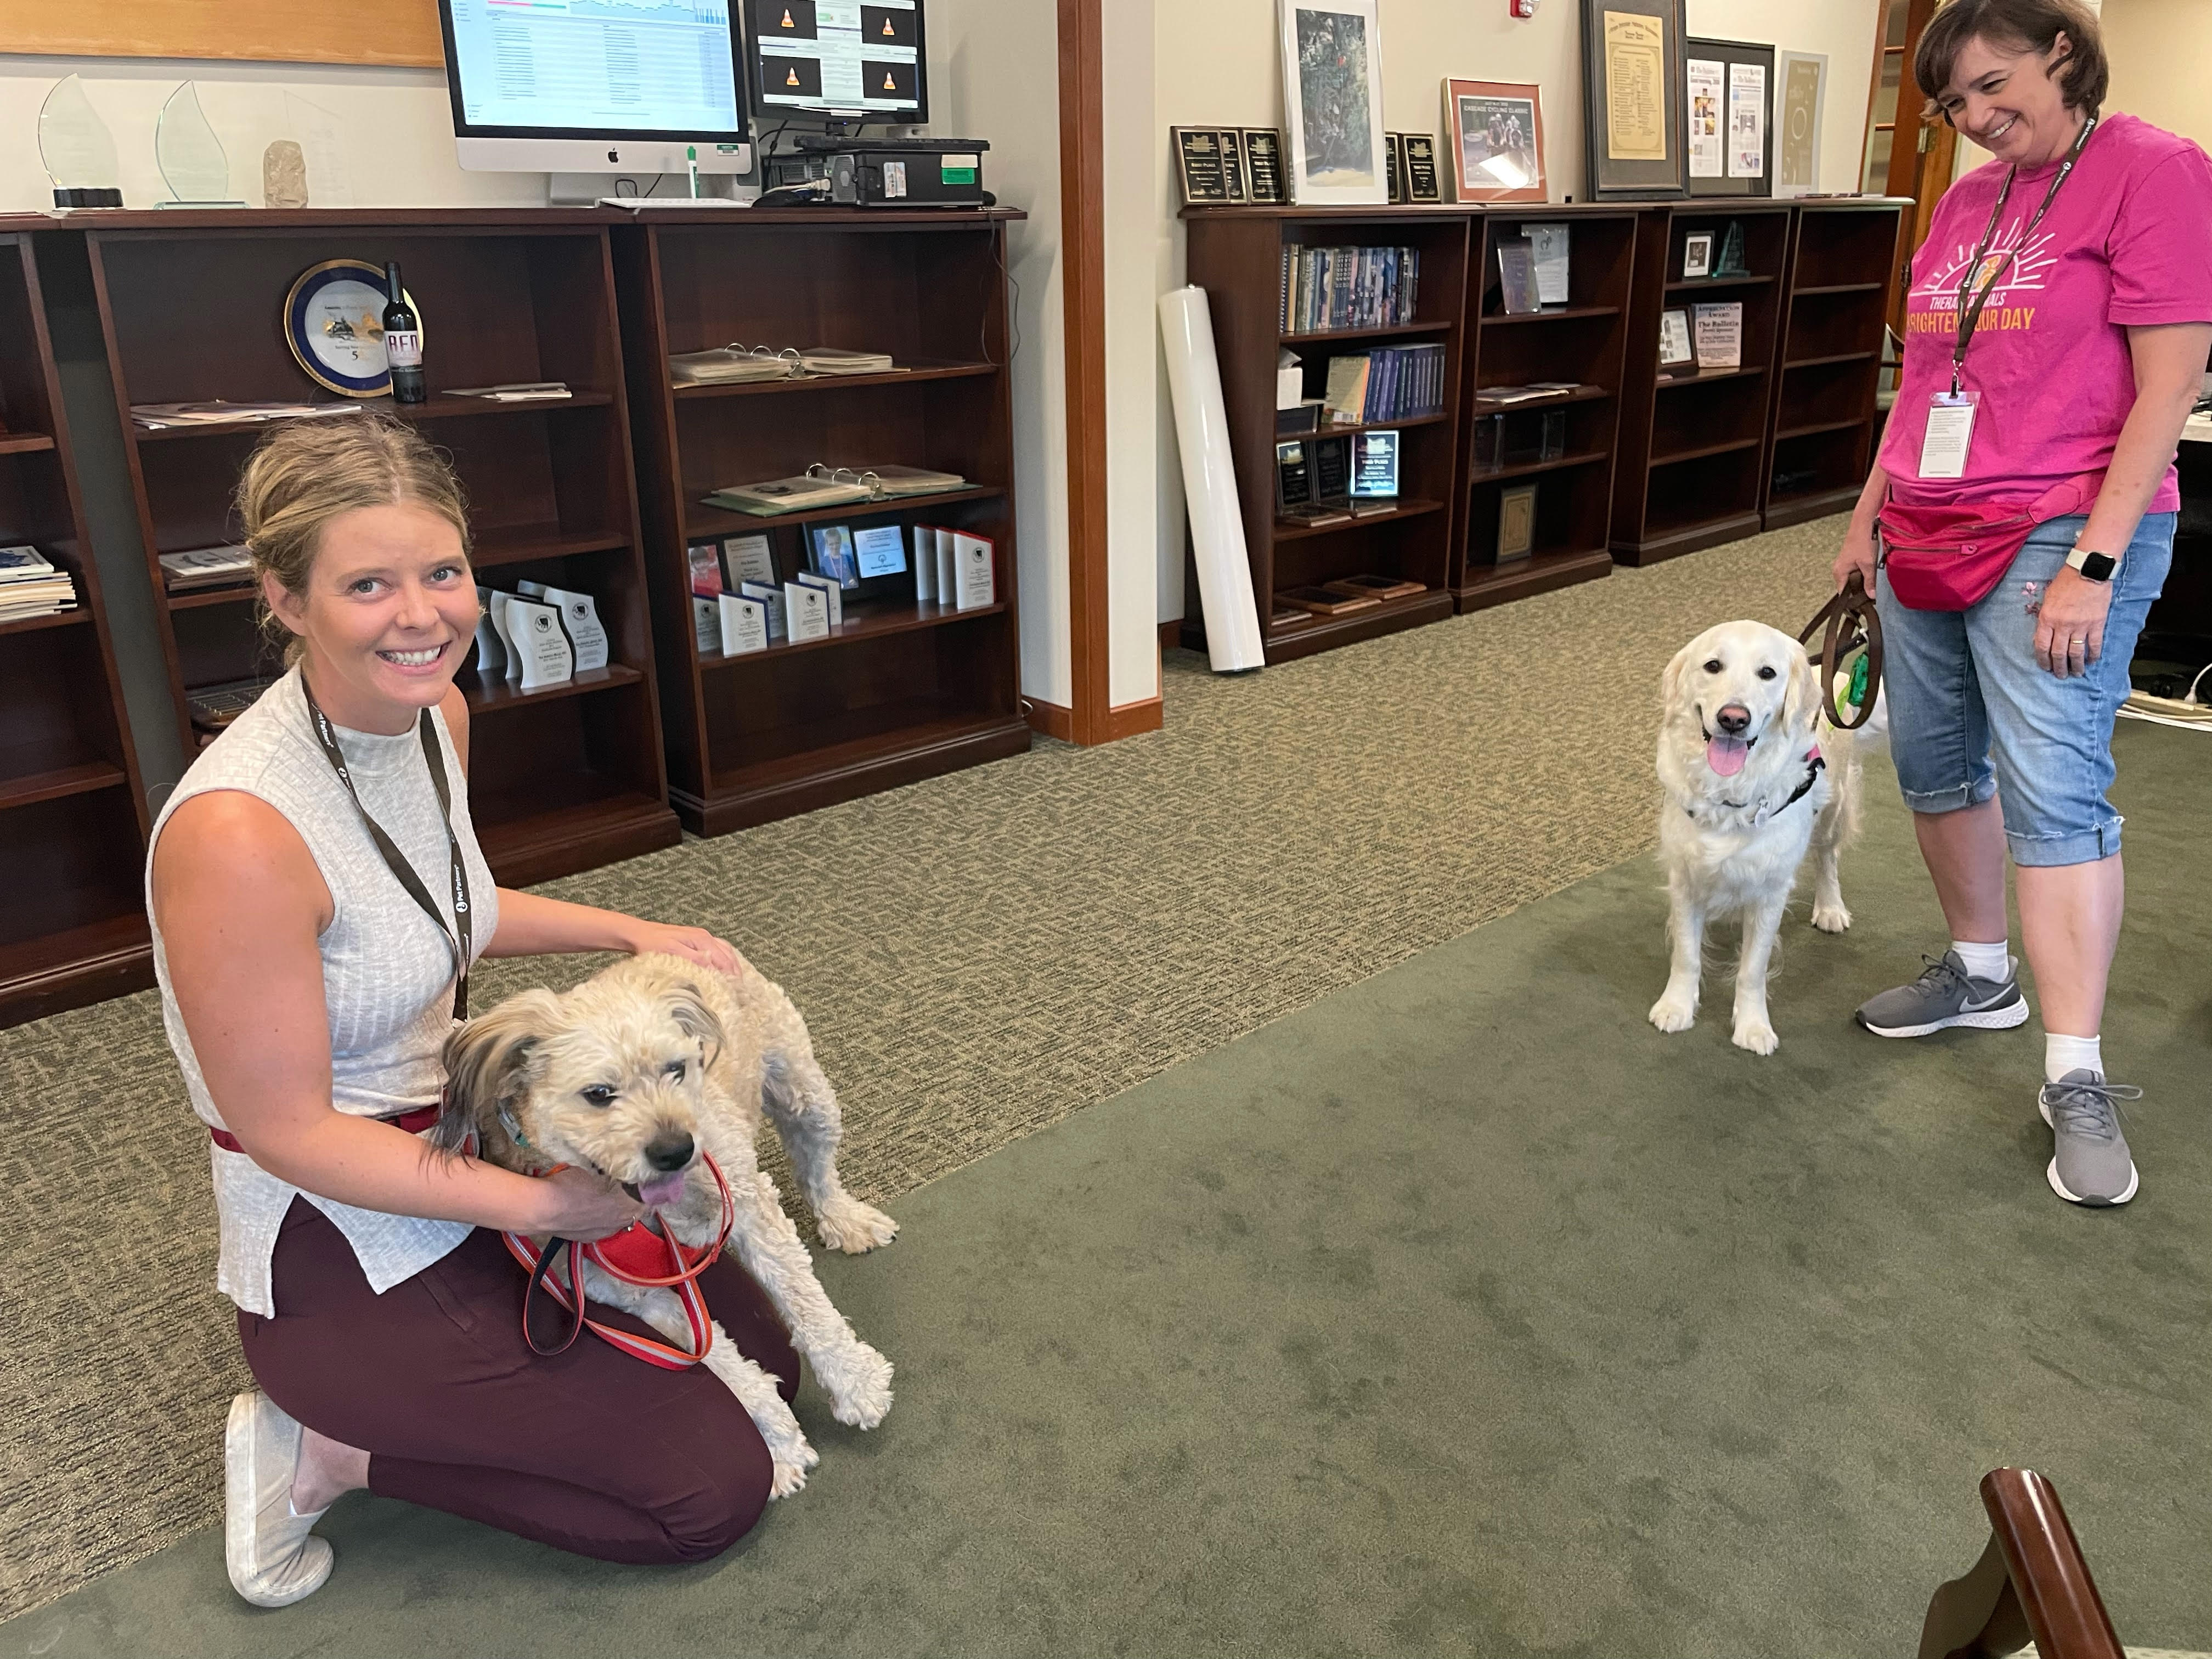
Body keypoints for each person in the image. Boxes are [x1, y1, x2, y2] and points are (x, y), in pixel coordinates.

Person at [149, 414, 799, 1607]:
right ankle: (329, 1451)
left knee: (778, 1363)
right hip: (335, 1217)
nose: (423, 615)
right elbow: (293, 1132)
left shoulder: (433, 716)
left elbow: (445, 907)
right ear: (285, 600)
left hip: (474, 1120)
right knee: (715, 1485)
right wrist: (546, 1207)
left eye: (443, 572)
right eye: (368, 584)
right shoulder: (236, 834)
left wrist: (632, 931)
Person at [1833, 0, 2212, 1206]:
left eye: (1995, 86)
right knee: (1935, 764)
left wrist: (2095, 562)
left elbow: (2170, 383)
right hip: (1928, 525)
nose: (1976, 119)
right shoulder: (1960, 202)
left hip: (2062, 522)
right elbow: (1927, 379)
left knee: (2054, 784)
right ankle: (1980, 973)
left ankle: (2077, 1069)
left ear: (2062, 52)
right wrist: (1865, 519)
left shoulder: (2155, 170)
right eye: (1953, 104)